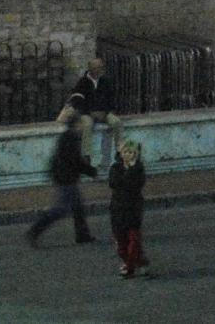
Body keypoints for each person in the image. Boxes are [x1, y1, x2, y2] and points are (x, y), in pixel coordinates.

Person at [26, 101, 97, 246]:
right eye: (81, 123)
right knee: (61, 209)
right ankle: (35, 230)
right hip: (65, 177)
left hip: (64, 175)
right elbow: (75, 161)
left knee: (77, 206)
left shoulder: (68, 136)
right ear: (76, 124)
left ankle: (82, 235)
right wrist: (90, 171)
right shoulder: (71, 138)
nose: (84, 126)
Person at [107, 139, 149, 279]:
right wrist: (128, 175)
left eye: (131, 152)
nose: (127, 155)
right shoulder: (115, 168)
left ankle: (129, 267)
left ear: (135, 154)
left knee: (134, 240)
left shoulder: (138, 168)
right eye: (125, 152)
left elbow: (136, 184)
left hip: (133, 209)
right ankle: (139, 262)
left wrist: (131, 170)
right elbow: (114, 183)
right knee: (121, 244)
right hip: (118, 209)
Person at [72, 57, 120, 164]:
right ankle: (86, 155)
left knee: (117, 122)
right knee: (87, 125)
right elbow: (77, 101)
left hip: (103, 112)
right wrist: (90, 112)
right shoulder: (82, 82)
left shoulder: (105, 81)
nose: (99, 70)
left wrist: (107, 112)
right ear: (90, 69)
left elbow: (111, 98)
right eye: (96, 68)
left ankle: (119, 151)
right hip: (87, 113)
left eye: (100, 67)